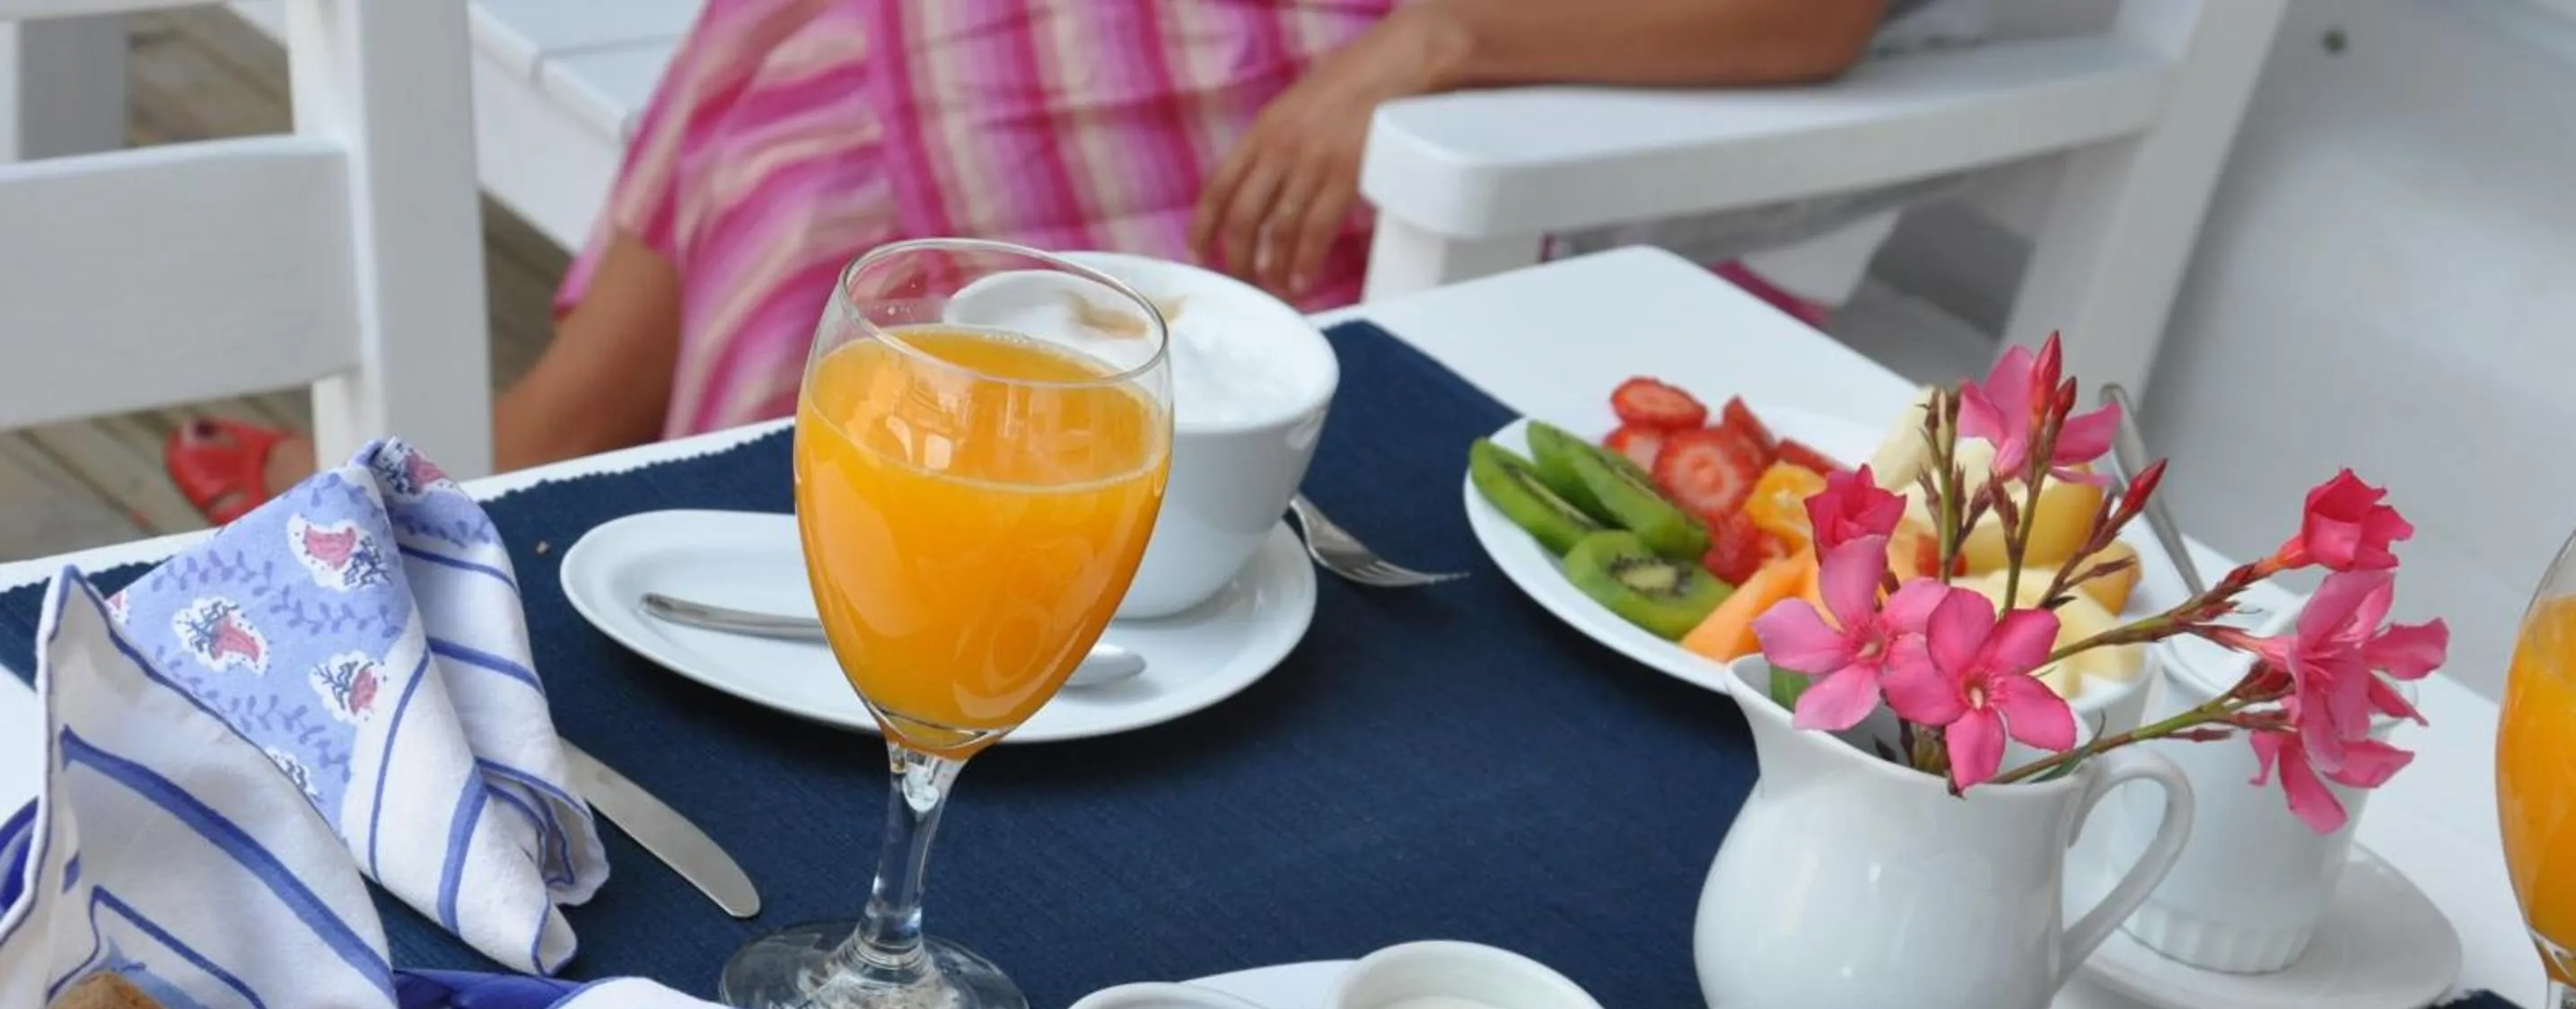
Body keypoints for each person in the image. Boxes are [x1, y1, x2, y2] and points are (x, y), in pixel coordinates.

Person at [166, 0, 1920, 522]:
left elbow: (1808, 15)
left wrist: (1439, 46)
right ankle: (527, 480)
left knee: (831, 153)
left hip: (1489, 76)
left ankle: (709, 550)